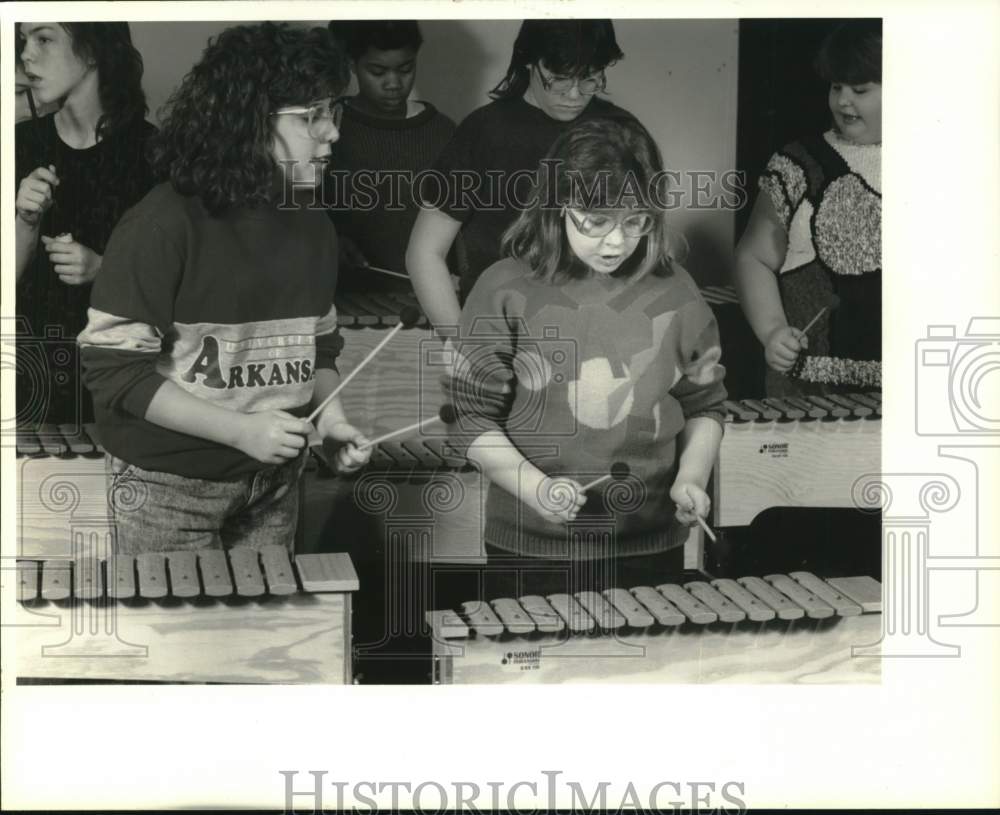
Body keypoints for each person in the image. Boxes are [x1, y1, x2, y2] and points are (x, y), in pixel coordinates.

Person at [78, 23, 371, 554]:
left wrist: (332, 421)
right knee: (180, 637)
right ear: (248, 121)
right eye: (312, 117)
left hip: (274, 481)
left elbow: (317, 348)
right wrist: (239, 430)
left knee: (260, 637)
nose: (332, 132)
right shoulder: (162, 226)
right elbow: (113, 371)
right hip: (167, 486)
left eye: (334, 112)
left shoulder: (315, 225)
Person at [443, 118, 727, 596]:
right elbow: (468, 418)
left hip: (651, 545)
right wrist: (535, 488)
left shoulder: (676, 289)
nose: (616, 241)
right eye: (596, 222)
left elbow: (706, 404)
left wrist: (692, 478)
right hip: (533, 549)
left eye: (635, 221)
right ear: (557, 207)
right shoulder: (504, 288)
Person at [406, 19, 635, 331]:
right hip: (500, 328)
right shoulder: (484, 131)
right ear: (529, 60)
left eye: (590, 79)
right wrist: (461, 344)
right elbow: (425, 252)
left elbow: (646, 246)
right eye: (558, 80)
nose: (574, 95)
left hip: (597, 331)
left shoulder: (623, 132)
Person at [15, 22, 157, 427]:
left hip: (119, 380)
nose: (26, 55)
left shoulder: (153, 154)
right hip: (29, 377)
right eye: (24, 41)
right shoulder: (20, 145)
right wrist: (25, 219)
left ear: (93, 50)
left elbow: (181, 288)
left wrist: (103, 269)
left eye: (43, 39)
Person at [734, 19, 882, 397]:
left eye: (860, 89)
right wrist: (772, 332)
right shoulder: (795, 163)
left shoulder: (948, 168)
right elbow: (754, 257)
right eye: (836, 87)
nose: (842, 101)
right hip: (809, 386)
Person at [325, 20, 456, 292]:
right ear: (352, 63)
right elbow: (299, 211)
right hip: (349, 296)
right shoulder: (326, 129)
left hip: (431, 295)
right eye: (377, 71)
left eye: (406, 69)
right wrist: (329, 239)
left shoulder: (444, 131)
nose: (394, 83)